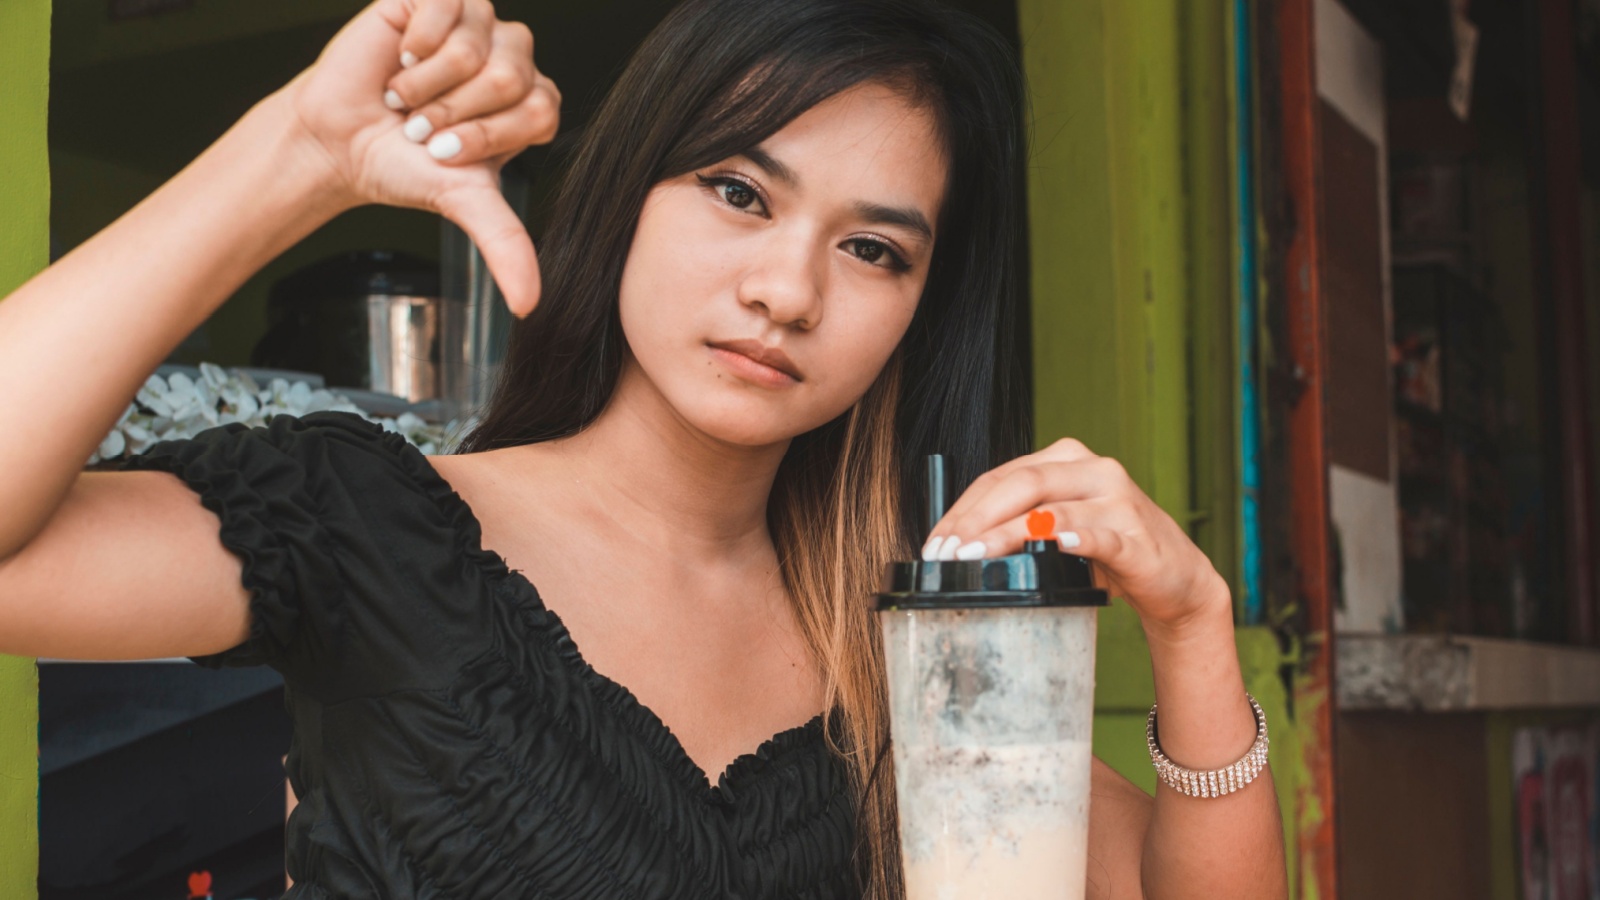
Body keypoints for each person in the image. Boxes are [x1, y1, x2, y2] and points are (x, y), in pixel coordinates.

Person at [0, 0, 1289, 897]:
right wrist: (298, 156)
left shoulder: (912, 645)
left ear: (918, 314)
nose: (788, 291)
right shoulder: (373, 528)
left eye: (873, 248)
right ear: (628, 194)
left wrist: (1190, 624)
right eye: (738, 192)